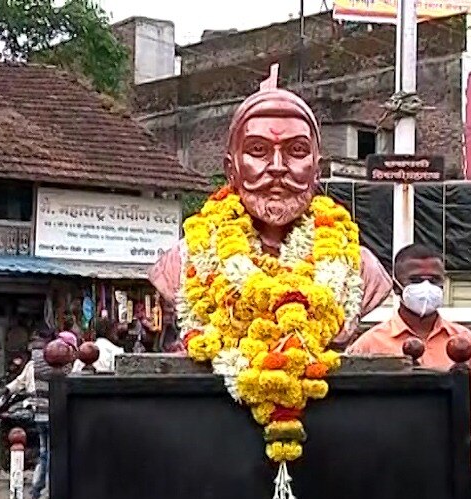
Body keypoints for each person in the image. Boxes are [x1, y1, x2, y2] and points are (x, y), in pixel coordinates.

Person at [148, 67, 393, 344]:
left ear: (317, 169)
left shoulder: (358, 267)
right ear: (232, 168)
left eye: (297, 151)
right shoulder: (185, 262)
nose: (277, 167)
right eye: (258, 150)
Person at [347, 243, 471, 499]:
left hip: (454, 475)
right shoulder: (369, 346)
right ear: (396, 285)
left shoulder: (465, 342)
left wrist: (470, 467)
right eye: (415, 280)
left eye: (434, 280)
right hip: (391, 478)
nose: (426, 287)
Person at [6, 325, 71, 499]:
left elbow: (19, 382)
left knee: (44, 454)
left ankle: (36, 491)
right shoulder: (56, 360)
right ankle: (50, 493)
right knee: (53, 455)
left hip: (39, 414)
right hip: (54, 414)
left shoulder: (35, 361)